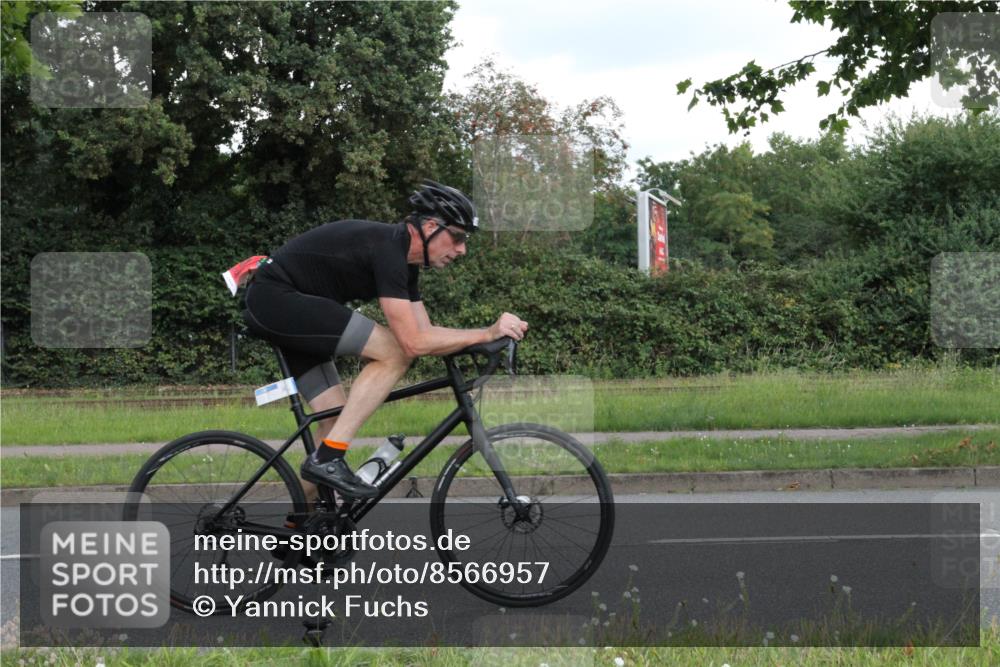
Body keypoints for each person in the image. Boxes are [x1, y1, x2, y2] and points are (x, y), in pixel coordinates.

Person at [241, 180, 528, 499]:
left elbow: (426, 332)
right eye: (457, 237)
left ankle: (302, 530)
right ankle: (329, 458)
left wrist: (480, 341)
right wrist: (487, 332)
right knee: (395, 353)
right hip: (277, 300)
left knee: (334, 419)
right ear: (431, 226)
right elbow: (414, 343)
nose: (462, 249)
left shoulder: (405, 264)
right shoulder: (390, 248)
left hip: (290, 307)